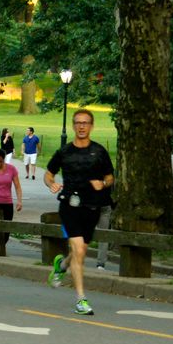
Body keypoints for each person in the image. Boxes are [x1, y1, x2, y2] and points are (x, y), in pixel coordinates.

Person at [44, 109, 115, 316]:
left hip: (92, 207)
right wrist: (52, 184)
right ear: (73, 126)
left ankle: (61, 266)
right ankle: (81, 300)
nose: (81, 126)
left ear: (91, 126)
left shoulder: (99, 152)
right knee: (80, 252)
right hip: (69, 206)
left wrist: (103, 183)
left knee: (79, 251)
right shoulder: (64, 152)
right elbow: (49, 174)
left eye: (85, 123)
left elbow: (110, 177)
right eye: (78, 123)